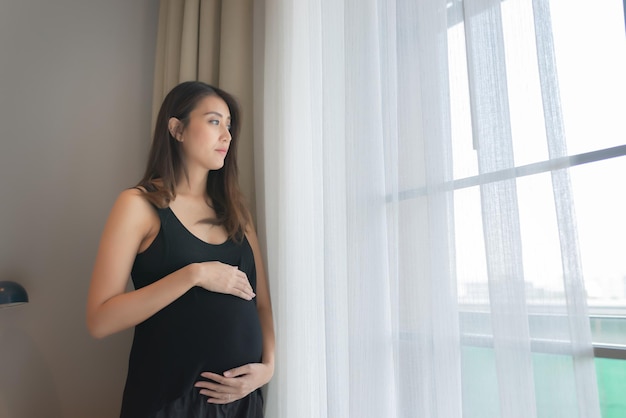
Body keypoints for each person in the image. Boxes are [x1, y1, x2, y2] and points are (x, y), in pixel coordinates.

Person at [86, 81, 275, 418]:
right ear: (177, 129)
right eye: (215, 121)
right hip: (169, 402)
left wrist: (269, 368)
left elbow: (261, 304)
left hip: (242, 402)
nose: (227, 136)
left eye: (229, 126)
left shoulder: (236, 211)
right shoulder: (138, 205)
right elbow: (100, 320)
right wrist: (195, 275)